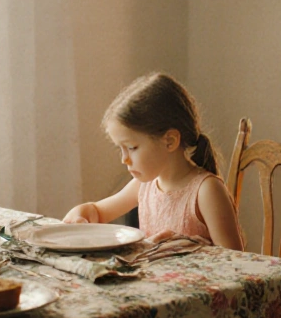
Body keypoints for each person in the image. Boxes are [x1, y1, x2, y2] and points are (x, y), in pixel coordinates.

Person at [62, 72, 244, 250]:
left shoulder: (206, 191)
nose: (124, 159)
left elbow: (235, 263)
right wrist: (82, 213)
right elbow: (98, 212)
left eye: (132, 148)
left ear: (170, 141)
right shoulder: (143, 185)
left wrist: (188, 249)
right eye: (120, 148)